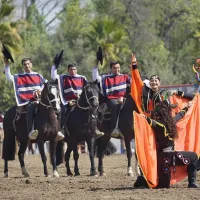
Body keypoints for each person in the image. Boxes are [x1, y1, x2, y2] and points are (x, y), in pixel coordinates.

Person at [135, 100, 199, 188]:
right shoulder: (165, 124)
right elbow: (154, 122)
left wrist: (187, 107)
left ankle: (192, 183)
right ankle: (142, 181)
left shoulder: (168, 123)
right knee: (163, 186)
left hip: (170, 156)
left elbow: (180, 115)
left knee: (194, 157)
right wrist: (144, 118)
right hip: (164, 159)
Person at [4, 58, 64, 141]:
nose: (27, 66)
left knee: (55, 107)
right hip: (28, 101)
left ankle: (57, 130)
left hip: (40, 101)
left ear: (31, 65)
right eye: (25, 64)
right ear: (23, 66)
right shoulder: (19, 77)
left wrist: (40, 90)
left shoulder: (38, 75)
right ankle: (31, 131)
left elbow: (46, 84)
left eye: (28, 64)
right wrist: (7, 65)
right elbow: (9, 78)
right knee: (30, 107)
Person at [130, 54, 194, 116]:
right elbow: (137, 77)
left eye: (156, 81)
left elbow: (165, 105)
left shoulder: (164, 93)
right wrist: (134, 64)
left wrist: (171, 105)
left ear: (159, 83)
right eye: (152, 81)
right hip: (146, 118)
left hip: (160, 121)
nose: (154, 82)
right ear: (149, 83)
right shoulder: (145, 91)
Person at [51, 63, 104, 138]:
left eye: (74, 69)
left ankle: (95, 129)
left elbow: (87, 89)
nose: (73, 71)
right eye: (71, 69)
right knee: (63, 111)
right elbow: (53, 77)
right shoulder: (63, 77)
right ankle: (62, 129)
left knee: (93, 111)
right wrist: (54, 67)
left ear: (77, 70)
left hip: (80, 101)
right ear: (68, 70)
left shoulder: (82, 78)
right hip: (68, 102)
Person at [92, 61, 131, 137]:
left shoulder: (125, 77)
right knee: (115, 105)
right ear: (111, 69)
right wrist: (95, 66)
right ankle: (114, 129)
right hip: (111, 100)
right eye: (114, 68)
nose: (117, 70)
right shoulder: (105, 78)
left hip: (123, 99)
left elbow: (134, 82)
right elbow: (95, 79)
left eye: (118, 68)